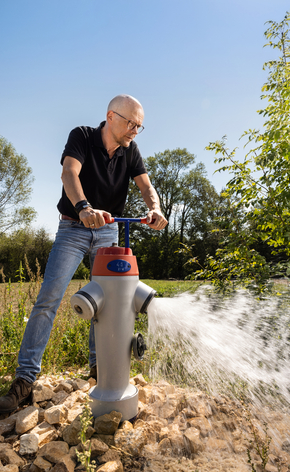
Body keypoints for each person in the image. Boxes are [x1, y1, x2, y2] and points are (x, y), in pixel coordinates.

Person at [0, 94, 168, 414]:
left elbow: (146, 187)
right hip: (73, 228)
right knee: (49, 298)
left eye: (139, 126)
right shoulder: (82, 136)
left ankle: (99, 368)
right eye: (131, 123)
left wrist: (155, 208)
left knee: (107, 303)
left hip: (107, 230)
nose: (135, 130)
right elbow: (69, 173)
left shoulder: (130, 151)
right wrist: (83, 207)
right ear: (111, 116)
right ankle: (24, 380)